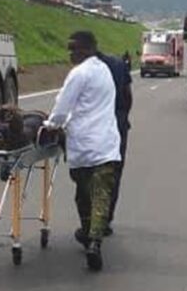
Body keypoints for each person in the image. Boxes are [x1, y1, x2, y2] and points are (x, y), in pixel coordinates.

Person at [45, 31, 121, 271]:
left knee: (83, 195)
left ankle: (89, 236)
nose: (70, 54)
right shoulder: (104, 71)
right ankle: (94, 241)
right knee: (101, 196)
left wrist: (50, 127)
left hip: (84, 145)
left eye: (74, 49)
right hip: (107, 145)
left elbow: (61, 108)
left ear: (88, 49)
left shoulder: (79, 73)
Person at [94, 37, 133, 236]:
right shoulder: (119, 65)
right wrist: (123, 118)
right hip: (117, 125)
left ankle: (91, 220)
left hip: (91, 128)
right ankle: (105, 219)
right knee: (113, 173)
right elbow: (128, 96)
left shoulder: (83, 71)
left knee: (88, 173)